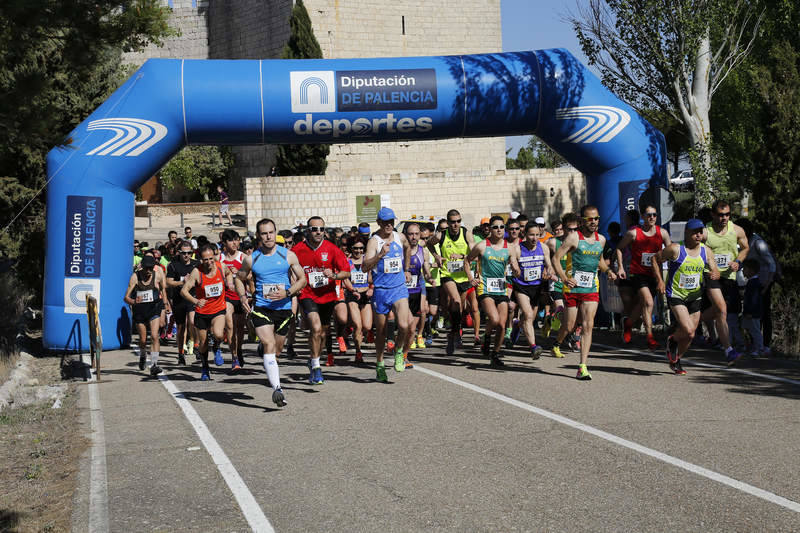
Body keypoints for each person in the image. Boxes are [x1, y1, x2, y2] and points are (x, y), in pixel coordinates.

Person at [234, 218, 307, 407]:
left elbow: (302, 279)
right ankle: (278, 389)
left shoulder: (288, 256)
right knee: (269, 343)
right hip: (262, 308)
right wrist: (243, 297)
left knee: (277, 350)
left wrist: (288, 292)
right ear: (259, 236)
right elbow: (239, 279)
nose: (268, 236)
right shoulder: (252, 259)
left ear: (276, 233)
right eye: (264, 233)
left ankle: (265, 354)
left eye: (271, 232)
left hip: (283, 309)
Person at [551, 205, 617, 380]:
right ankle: (557, 332)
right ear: (582, 221)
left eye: (596, 218)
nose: (594, 222)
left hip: (591, 288)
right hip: (573, 287)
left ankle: (582, 366)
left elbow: (600, 261)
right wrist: (564, 278)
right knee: (570, 324)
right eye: (590, 219)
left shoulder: (601, 240)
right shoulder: (574, 238)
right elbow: (556, 258)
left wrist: (608, 271)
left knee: (588, 325)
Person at [653, 219, 719, 374]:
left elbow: (715, 269)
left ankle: (675, 360)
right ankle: (673, 340)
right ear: (687, 233)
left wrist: (714, 274)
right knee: (688, 331)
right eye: (695, 232)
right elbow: (654, 259)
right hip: (676, 294)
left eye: (700, 232)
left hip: (695, 296)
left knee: (691, 335)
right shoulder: (676, 249)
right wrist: (660, 281)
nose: (698, 235)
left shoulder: (706, 251)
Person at [292, 216, 351, 384]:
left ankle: (312, 359)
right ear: (307, 231)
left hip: (327, 295)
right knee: (315, 328)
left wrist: (334, 275)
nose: (318, 232)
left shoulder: (332, 249)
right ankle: (317, 367)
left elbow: (346, 272)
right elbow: (287, 267)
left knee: (323, 332)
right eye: (314, 229)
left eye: (321, 229)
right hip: (307, 294)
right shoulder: (297, 250)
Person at [363, 207, 413, 381]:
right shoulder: (373, 242)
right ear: (378, 223)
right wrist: (380, 255)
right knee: (382, 332)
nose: (389, 225)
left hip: (399, 288)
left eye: (391, 221)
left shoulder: (400, 237)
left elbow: (407, 248)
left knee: (405, 325)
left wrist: (406, 269)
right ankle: (380, 364)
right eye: (385, 222)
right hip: (381, 291)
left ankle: (399, 352)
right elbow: (364, 267)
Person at [615, 204, 672, 349]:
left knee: (642, 305)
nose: (652, 217)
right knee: (648, 303)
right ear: (642, 217)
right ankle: (650, 337)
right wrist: (621, 267)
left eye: (654, 215)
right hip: (638, 274)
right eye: (648, 215)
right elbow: (619, 249)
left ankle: (628, 324)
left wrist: (668, 261)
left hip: (655, 275)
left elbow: (671, 252)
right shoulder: (633, 233)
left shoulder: (662, 233)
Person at [701, 200, 749, 364]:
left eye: (727, 214)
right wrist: (709, 266)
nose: (724, 218)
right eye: (721, 215)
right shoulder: (705, 232)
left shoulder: (736, 230)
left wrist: (738, 262)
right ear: (713, 214)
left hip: (729, 277)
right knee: (721, 309)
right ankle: (729, 350)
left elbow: (745, 248)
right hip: (711, 276)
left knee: (719, 312)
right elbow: (694, 251)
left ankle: (691, 322)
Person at [426, 209, 479, 355]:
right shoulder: (441, 235)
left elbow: (474, 254)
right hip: (447, 274)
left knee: (459, 309)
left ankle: (453, 335)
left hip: (463, 276)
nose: (456, 224)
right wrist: (436, 256)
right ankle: (454, 336)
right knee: (455, 301)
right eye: (452, 222)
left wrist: (462, 256)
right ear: (448, 223)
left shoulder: (466, 233)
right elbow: (429, 244)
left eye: (458, 221)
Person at [180, 244, 236, 381]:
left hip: (218, 309)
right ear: (200, 259)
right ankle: (205, 367)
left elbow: (229, 273)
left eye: (211, 258)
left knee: (218, 334)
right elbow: (183, 291)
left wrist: (230, 284)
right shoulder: (196, 272)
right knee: (203, 343)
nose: (209, 262)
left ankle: (217, 347)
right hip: (202, 311)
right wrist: (195, 301)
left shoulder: (221, 267)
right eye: (206, 259)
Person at [467, 216, 515, 365]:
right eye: (495, 227)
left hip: (501, 288)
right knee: (494, 319)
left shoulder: (509, 247)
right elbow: (467, 261)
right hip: (485, 287)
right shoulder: (482, 246)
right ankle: (486, 338)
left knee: (502, 324)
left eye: (501, 227)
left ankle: (495, 353)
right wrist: (471, 278)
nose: (499, 230)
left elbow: (514, 265)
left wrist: (518, 270)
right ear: (490, 229)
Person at [510, 220, 553, 359]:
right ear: (524, 234)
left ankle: (517, 327)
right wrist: (515, 268)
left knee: (530, 317)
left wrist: (548, 271)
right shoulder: (517, 248)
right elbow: (513, 263)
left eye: (537, 235)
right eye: (531, 235)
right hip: (521, 286)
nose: (535, 238)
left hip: (537, 287)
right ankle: (533, 347)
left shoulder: (544, 248)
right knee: (528, 314)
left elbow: (549, 265)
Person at [125, 255, 171, 376]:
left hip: (153, 309)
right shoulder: (135, 277)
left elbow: (163, 290)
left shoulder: (158, 275)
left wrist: (166, 304)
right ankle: (143, 355)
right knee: (143, 340)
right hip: (140, 311)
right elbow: (126, 298)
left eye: (151, 268)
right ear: (142, 267)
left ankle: (154, 364)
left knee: (155, 336)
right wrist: (134, 302)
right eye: (146, 268)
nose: (148, 271)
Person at [737, 218, 778, 347]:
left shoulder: (758, 243)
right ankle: (755, 343)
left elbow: (771, 264)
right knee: (753, 314)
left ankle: (765, 345)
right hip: (753, 282)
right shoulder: (744, 242)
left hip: (764, 282)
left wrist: (766, 286)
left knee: (764, 313)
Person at [402, 222, 432, 367]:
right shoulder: (400, 251)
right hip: (401, 294)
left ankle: (404, 355)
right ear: (405, 235)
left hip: (416, 292)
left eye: (416, 234)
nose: (414, 237)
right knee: (405, 326)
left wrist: (430, 277)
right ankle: (397, 350)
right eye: (410, 234)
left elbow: (425, 270)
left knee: (411, 329)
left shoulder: (423, 251)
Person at [166, 241, 199, 365]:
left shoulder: (197, 264)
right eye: (184, 253)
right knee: (180, 328)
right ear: (179, 253)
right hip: (179, 299)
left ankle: (196, 346)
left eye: (189, 253)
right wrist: (183, 283)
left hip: (193, 297)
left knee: (193, 321)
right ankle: (180, 353)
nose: (186, 255)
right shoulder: (173, 265)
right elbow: (168, 282)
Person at [343, 237, 372, 363]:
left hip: (366, 294)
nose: (358, 251)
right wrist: (352, 289)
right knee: (358, 325)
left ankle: (349, 328)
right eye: (355, 248)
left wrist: (371, 288)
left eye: (361, 248)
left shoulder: (367, 261)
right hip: (352, 295)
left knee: (367, 325)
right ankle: (358, 351)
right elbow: (345, 278)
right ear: (351, 248)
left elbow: (373, 276)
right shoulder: (346, 261)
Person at [221, 229, 246, 371]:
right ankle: (234, 356)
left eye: (236, 239)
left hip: (241, 297)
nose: (235, 243)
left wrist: (241, 275)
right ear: (224, 243)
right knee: (230, 325)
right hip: (226, 297)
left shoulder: (243, 257)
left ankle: (239, 349)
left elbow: (250, 277)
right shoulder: (220, 259)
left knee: (240, 329)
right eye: (231, 240)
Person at [741, 258, 770, 357]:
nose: (743, 271)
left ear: (751, 271)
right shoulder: (752, 282)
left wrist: (750, 312)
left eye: (745, 269)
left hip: (753, 313)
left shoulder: (754, 283)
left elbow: (754, 299)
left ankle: (760, 348)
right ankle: (750, 346)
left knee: (755, 330)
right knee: (746, 328)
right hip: (750, 312)